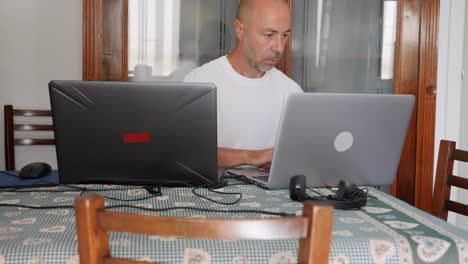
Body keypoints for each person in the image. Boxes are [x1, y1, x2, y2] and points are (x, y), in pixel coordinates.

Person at [184, 0, 303, 168]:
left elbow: (300, 157)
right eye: (269, 35)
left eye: (284, 35)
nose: (279, 48)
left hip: (271, 193)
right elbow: (184, 153)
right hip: (213, 191)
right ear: (240, 30)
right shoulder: (199, 82)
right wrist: (251, 157)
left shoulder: (292, 92)